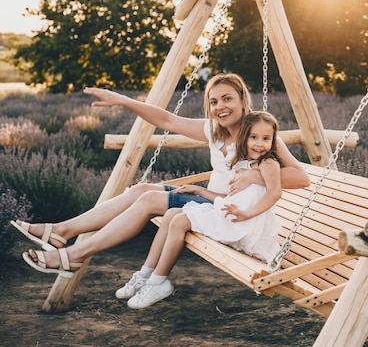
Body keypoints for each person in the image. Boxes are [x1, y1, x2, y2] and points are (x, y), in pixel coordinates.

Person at [16, 73, 310, 280]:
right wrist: (124, 101)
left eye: (227, 99)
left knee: (150, 200)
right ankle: (62, 231)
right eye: (214, 101)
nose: (220, 107)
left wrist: (253, 177)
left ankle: (77, 254)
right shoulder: (213, 129)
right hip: (208, 199)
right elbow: (167, 119)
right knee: (140, 189)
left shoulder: (257, 132)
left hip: (221, 210)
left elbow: (301, 177)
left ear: (243, 99)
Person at [125, 111, 283, 309]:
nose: (259, 144)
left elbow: (275, 193)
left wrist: (247, 214)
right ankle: (147, 274)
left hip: (243, 224)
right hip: (234, 217)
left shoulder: (268, 163)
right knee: (174, 213)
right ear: (244, 138)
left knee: (180, 220)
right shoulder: (248, 165)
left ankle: (158, 281)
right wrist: (199, 190)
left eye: (266, 138)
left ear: (273, 141)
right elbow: (230, 199)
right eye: (254, 137)